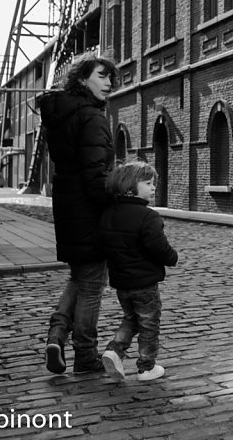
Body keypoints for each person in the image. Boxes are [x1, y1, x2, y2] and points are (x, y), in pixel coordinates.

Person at [37, 55, 118, 374]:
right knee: (91, 284)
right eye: (102, 76)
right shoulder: (91, 118)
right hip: (88, 209)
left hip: (68, 206)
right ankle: (85, 354)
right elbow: (95, 174)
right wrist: (113, 208)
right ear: (83, 79)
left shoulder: (61, 112)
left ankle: (56, 337)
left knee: (79, 277)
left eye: (111, 77)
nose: (109, 83)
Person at [99, 160, 179, 382]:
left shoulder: (108, 214)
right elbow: (158, 247)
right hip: (144, 284)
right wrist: (173, 257)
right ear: (130, 186)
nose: (154, 188)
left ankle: (114, 351)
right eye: (148, 183)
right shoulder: (148, 216)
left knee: (131, 319)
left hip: (122, 282)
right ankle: (146, 367)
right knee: (149, 324)